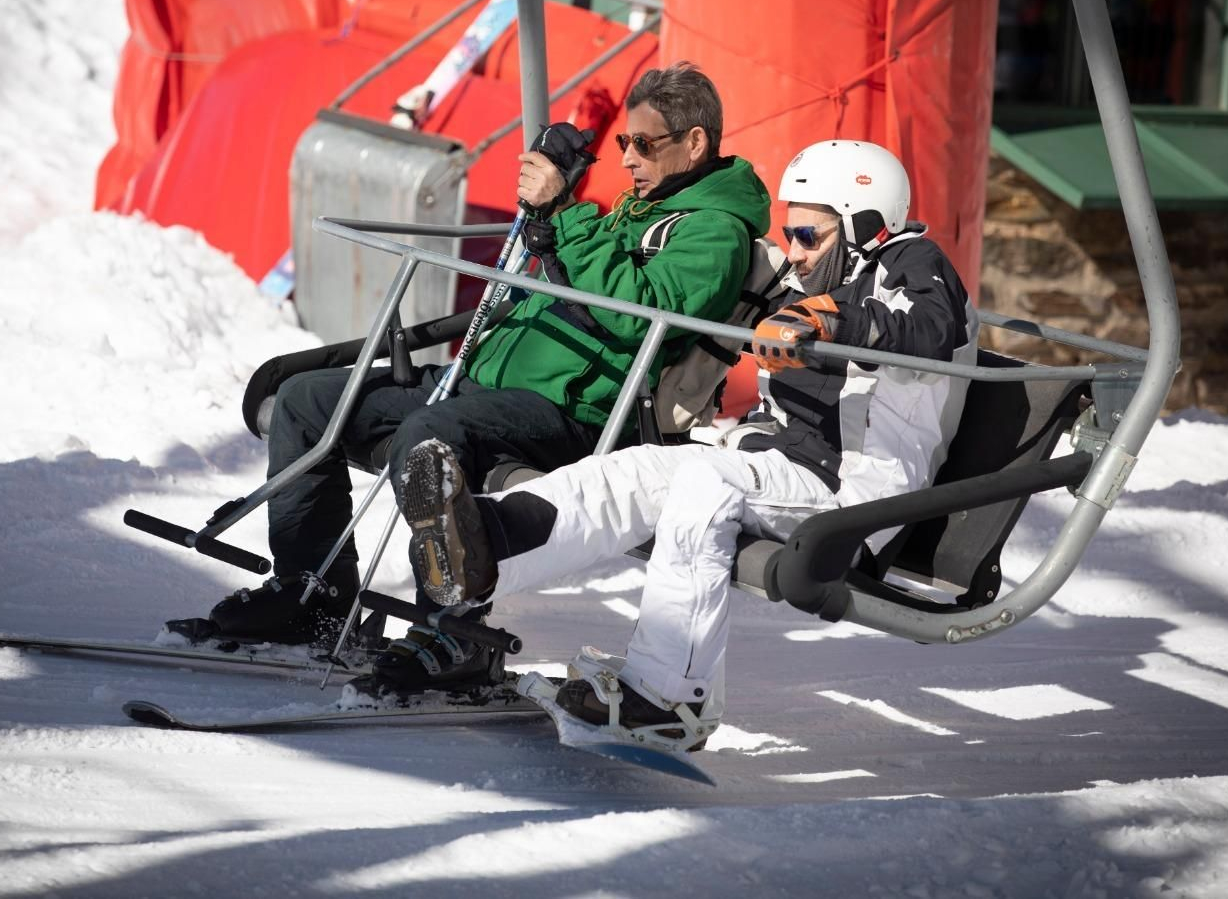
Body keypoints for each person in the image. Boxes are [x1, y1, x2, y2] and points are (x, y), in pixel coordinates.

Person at [185, 63, 772, 694]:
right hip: (493, 385)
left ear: (695, 143)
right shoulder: (636, 211)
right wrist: (555, 219)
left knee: (430, 435)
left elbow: (638, 312)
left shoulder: (715, 230)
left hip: (580, 417)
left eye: (644, 144)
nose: (627, 158)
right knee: (309, 401)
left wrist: (566, 216)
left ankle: (455, 632)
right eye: (624, 143)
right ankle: (314, 595)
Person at [399, 139, 979, 745]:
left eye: (810, 236)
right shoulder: (827, 283)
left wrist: (830, 321)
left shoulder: (913, 264)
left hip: (856, 498)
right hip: (789, 470)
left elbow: (932, 328)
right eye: (790, 235)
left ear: (867, 226)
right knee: (638, 469)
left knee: (706, 484)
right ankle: (483, 548)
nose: (796, 254)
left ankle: (672, 698)